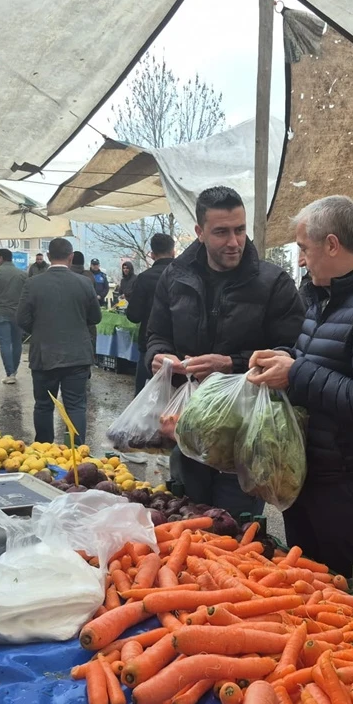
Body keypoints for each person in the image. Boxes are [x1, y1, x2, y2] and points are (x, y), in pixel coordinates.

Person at [248, 195, 353, 576]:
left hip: (348, 490)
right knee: (303, 588)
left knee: (340, 603)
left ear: (332, 244)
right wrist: (281, 357)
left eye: (304, 249)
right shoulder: (325, 297)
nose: (302, 259)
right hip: (313, 477)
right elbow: (320, 360)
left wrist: (296, 372)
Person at [147, 187, 304, 518]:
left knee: (232, 529)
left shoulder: (273, 283)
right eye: (221, 232)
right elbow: (156, 333)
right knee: (184, 520)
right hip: (186, 427)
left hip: (245, 436)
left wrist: (231, 364)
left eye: (240, 229)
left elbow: (291, 351)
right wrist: (159, 355)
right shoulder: (174, 277)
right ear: (200, 232)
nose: (234, 242)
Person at [17, 237, 101, 443]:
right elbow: (95, 318)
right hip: (78, 356)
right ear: (71, 257)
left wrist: (41, 330)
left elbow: (21, 319)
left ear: (47, 256)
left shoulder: (32, 283)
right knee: (76, 405)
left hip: (44, 355)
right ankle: (76, 452)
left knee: (44, 405)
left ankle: (45, 451)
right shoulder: (84, 283)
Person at [126, 233, 177, 395]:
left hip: (150, 348)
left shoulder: (144, 278)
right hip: (180, 349)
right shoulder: (186, 276)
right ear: (174, 252)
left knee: (143, 401)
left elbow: (134, 315)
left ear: (152, 254)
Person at [0, 248, 28, 384]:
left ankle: (9, 374)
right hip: (17, 313)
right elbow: (27, 295)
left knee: (4, 343)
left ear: (1, 258)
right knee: (17, 343)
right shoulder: (22, 274)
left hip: (0, 312)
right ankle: (14, 371)